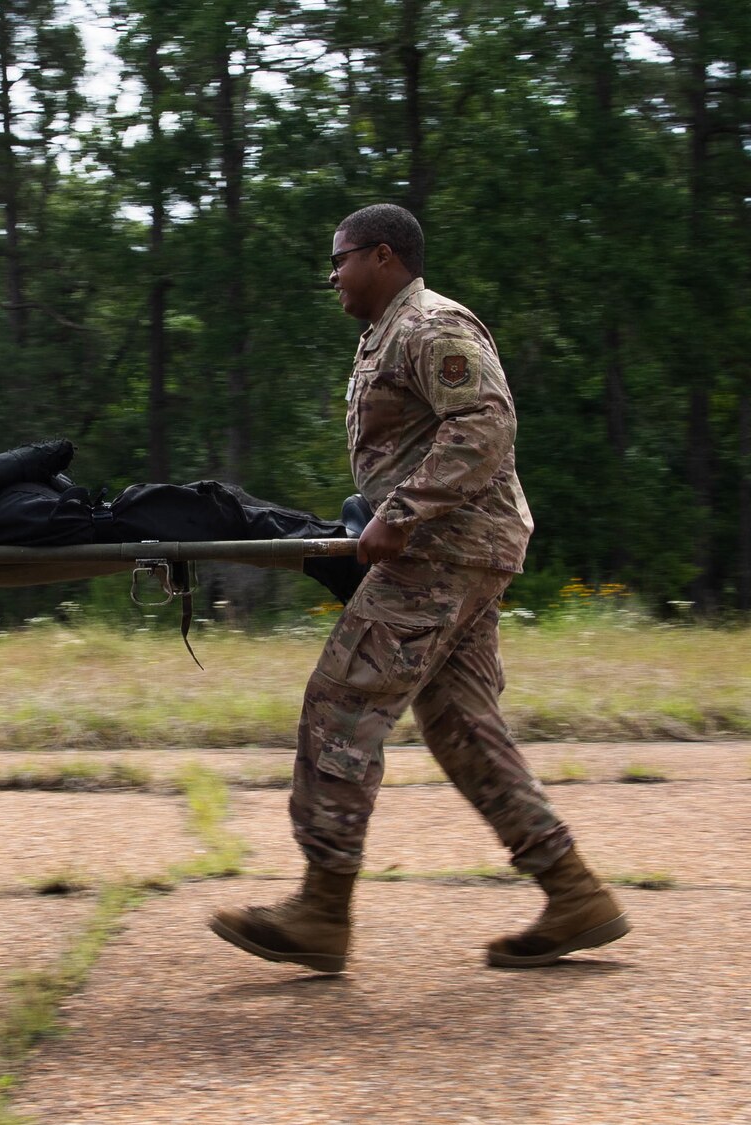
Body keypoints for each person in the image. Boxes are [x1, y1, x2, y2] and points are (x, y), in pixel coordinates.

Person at [208, 204, 627, 972]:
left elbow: (485, 424)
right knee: (460, 724)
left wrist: (402, 514)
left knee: (344, 699)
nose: (331, 275)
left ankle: (323, 908)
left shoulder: (430, 325)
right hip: (455, 547)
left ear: (382, 255)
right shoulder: (387, 335)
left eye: (339, 259)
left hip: (442, 550)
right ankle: (572, 890)